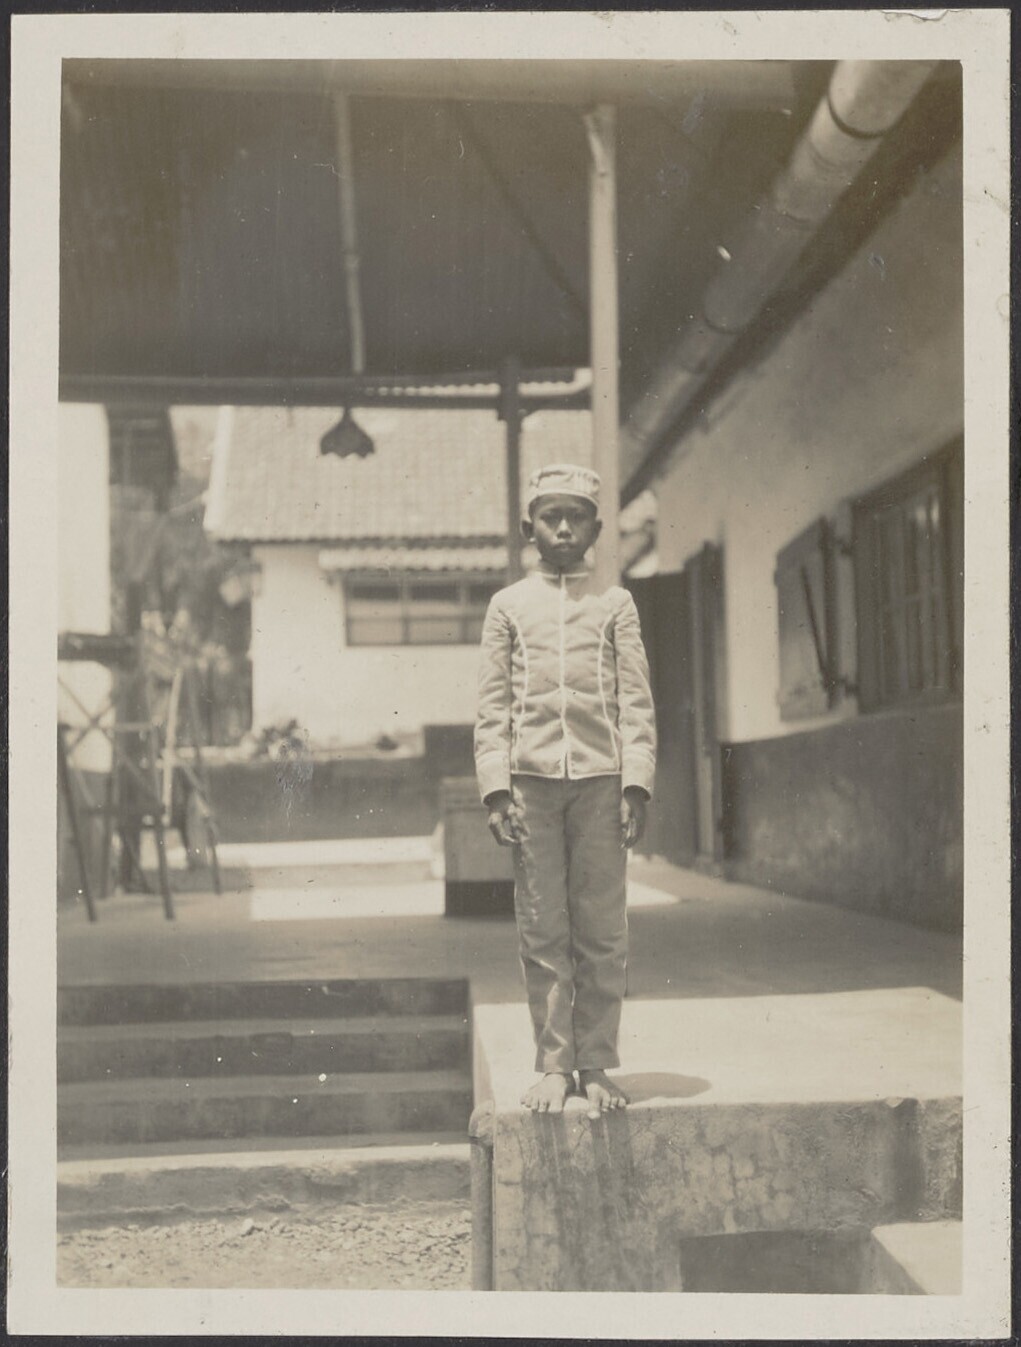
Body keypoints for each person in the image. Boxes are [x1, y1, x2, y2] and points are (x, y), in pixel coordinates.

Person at [474, 463, 656, 1118]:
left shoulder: (615, 604)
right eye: (549, 516)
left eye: (575, 517)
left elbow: (636, 701)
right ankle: (555, 1064)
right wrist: (497, 789)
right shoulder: (507, 607)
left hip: (602, 785)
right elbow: (492, 707)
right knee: (542, 925)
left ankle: (596, 1062)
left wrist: (635, 783)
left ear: (597, 529)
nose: (562, 528)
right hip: (531, 788)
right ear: (529, 527)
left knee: (602, 927)